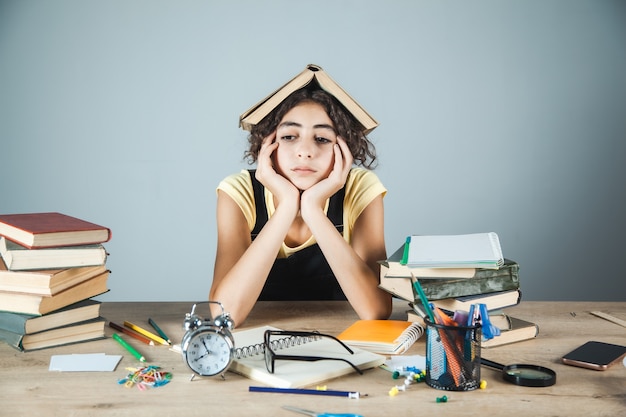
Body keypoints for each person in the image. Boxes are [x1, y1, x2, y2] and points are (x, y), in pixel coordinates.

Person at [209, 79, 392, 325]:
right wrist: (286, 206)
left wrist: (312, 209)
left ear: (344, 149)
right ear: (266, 145)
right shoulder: (239, 192)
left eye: (322, 139)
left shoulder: (360, 188)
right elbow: (224, 314)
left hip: (342, 337)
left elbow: (376, 311)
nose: (305, 151)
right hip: (262, 338)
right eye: (289, 136)